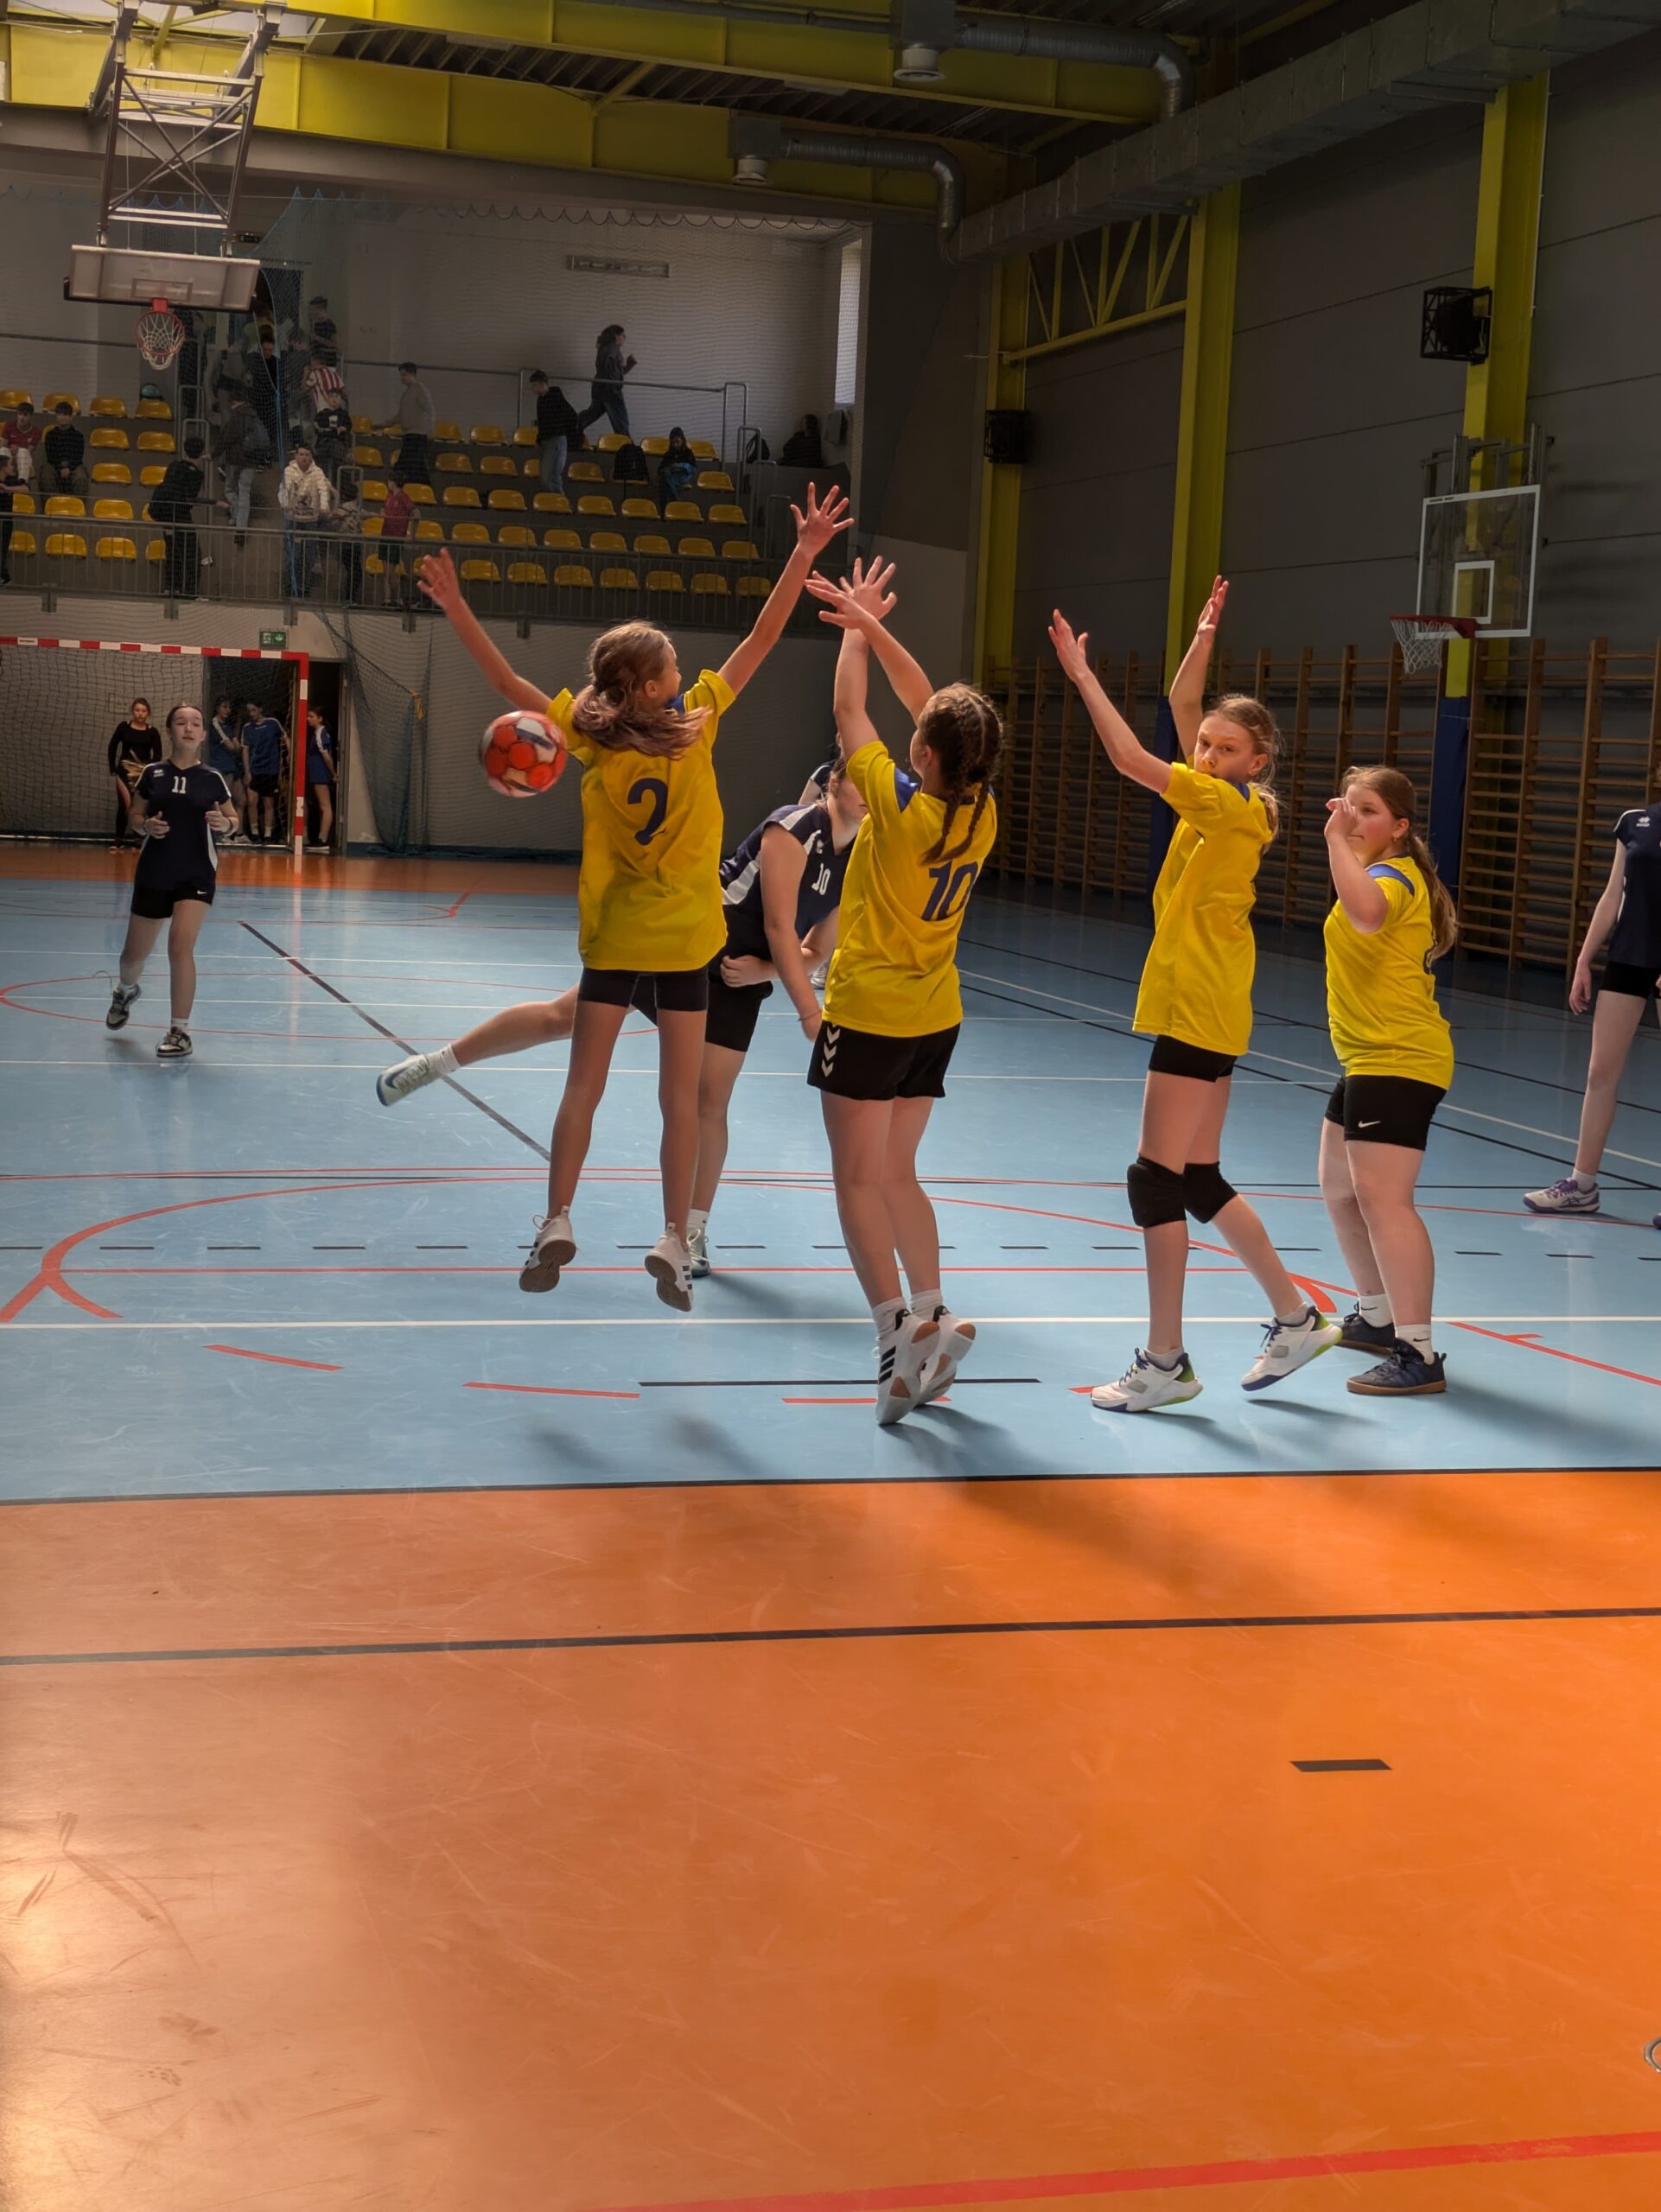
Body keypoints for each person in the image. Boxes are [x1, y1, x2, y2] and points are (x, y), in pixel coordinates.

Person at [408, 481, 852, 1309]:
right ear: (651, 687)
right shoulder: (700, 721)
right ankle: (674, 1240)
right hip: (687, 943)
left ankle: (556, 1218)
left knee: (583, 1086)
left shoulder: (588, 735)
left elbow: (506, 680)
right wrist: (801, 553)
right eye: (673, 665)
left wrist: (458, 606)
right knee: (679, 1102)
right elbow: (762, 636)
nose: (685, 672)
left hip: (614, 939)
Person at [378, 762, 868, 1278]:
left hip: (742, 976)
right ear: (833, 783)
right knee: (561, 1017)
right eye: (860, 782)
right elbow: (778, 925)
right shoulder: (793, 826)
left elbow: (816, 949)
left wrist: (762, 971)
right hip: (691, 941)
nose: (871, 795)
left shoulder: (858, 857)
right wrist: (808, 1012)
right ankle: (436, 1063)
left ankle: (693, 1232)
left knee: (711, 1103)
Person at [1048, 578, 1341, 1412]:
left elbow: (1130, 760)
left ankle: (1165, 1361)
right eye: (1205, 746)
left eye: (1225, 747)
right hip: (1216, 1004)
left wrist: (1082, 675)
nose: (1207, 755)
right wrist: (1205, 635)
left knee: (1154, 1179)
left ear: (1258, 762)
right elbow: (1182, 703)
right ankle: (1297, 1318)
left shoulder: (1226, 804)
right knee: (1201, 1177)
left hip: (1198, 1003)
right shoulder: (1226, 799)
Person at [800, 561, 1001, 1426]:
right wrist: (871, 627)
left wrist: (855, 629)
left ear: (922, 755)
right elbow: (931, 711)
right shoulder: (978, 810)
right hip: (934, 1018)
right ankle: (932, 1310)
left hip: (869, 1011)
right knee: (897, 1172)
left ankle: (892, 1334)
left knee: (855, 1180)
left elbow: (850, 710)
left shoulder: (899, 805)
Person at [1319, 767, 1459, 1396]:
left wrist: (1334, 840)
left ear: (1399, 827)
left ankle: (1418, 1352)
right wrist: (1346, 844)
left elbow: (1368, 915)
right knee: (1340, 1190)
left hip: (1398, 1058)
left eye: (1367, 811)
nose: (1353, 820)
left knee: (1384, 1202)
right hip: (1365, 1058)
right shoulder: (1373, 871)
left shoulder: (1393, 878)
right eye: (1348, 807)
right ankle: (1376, 1316)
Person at [1525, 793, 1661, 1229]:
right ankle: (1581, 1186)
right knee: (1600, 1072)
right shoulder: (1634, 821)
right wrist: (1584, 960)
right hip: (1629, 955)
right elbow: (1613, 894)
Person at [104, 702, 239, 1061]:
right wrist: (145, 825)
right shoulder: (153, 773)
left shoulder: (212, 778)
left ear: (203, 734)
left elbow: (233, 819)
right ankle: (125, 990)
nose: (189, 728)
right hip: (155, 871)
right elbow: (135, 814)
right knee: (133, 956)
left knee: (180, 946)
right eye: (181, 722)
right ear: (170, 730)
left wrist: (225, 825)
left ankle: (179, 1031)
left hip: (197, 873)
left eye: (195, 723)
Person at [150, 437, 207, 598]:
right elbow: (190, 496)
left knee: (172, 552)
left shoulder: (174, 466)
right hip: (181, 516)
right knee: (191, 554)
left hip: (166, 515)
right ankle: (190, 592)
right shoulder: (197, 475)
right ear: (202, 452)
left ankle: (171, 588)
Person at [278, 442, 335, 595]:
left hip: (310, 521)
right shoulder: (289, 470)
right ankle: (289, 587)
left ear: (311, 457)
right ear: (296, 456)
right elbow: (284, 488)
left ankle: (304, 587)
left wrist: (324, 506)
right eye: (301, 454)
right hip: (293, 519)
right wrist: (285, 503)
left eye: (307, 455)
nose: (303, 458)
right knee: (292, 556)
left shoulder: (318, 472)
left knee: (309, 557)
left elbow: (323, 489)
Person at [213, 393, 270, 543]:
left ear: (235, 403)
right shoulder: (256, 418)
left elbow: (226, 439)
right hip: (251, 461)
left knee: (230, 489)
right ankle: (241, 526)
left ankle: (235, 516)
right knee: (244, 492)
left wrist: (214, 455)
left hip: (234, 459)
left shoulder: (235, 418)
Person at [107, 697, 162, 849]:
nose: (140, 714)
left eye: (143, 711)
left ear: (148, 713)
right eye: (137, 710)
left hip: (142, 774)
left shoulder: (153, 732)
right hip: (124, 772)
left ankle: (138, 838)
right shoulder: (123, 727)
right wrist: (112, 767)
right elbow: (112, 746)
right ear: (133, 711)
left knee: (140, 807)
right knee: (124, 805)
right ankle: (119, 838)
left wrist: (151, 772)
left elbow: (158, 755)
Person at [241, 699, 290, 844]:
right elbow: (245, 750)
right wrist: (247, 771)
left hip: (271, 770)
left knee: (268, 802)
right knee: (252, 801)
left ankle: (268, 834)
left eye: (254, 710)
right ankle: (255, 832)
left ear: (260, 709)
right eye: (249, 711)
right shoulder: (247, 728)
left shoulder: (272, 723)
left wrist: (290, 754)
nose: (251, 714)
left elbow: (286, 738)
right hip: (255, 770)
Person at [576, 325, 635, 440]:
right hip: (610, 390)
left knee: (592, 414)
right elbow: (613, 375)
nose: (624, 338)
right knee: (620, 420)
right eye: (623, 335)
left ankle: (572, 427)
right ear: (616, 336)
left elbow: (613, 372)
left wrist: (627, 364)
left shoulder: (605, 348)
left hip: (601, 388)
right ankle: (626, 444)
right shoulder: (612, 349)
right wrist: (622, 368)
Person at [528, 371, 579, 494]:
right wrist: (539, 440)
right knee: (551, 476)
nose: (532, 388)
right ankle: (558, 500)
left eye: (534, 385)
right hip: (547, 440)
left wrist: (562, 431)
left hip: (556, 439)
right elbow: (542, 423)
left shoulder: (556, 398)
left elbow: (572, 416)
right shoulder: (541, 400)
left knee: (548, 476)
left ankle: (559, 500)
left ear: (542, 384)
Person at [389, 361, 435, 484]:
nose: (402, 378)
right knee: (416, 467)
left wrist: (430, 429)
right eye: (401, 375)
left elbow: (429, 409)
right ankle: (424, 489)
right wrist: (384, 424)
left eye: (404, 375)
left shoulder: (420, 389)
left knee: (409, 465)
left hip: (418, 435)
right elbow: (400, 416)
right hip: (410, 435)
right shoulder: (407, 394)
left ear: (412, 374)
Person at [207, 696, 245, 839]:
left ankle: (239, 834)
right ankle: (222, 834)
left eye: (229, 707)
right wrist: (234, 745)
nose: (228, 710)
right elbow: (231, 747)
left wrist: (235, 744)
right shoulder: (215, 723)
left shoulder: (227, 726)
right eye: (224, 707)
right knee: (224, 802)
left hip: (232, 766)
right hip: (222, 766)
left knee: (241, 800)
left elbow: (238, 747)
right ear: (217, 708)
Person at [38, 402, 89, 500]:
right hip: (54, 466)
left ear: (71, 417)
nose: (63, 417)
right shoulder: (50, 435)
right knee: (46, 472)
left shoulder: (78, 435)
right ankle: (51, 504)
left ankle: (78, 505)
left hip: (73, 466)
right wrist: (60, 468)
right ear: (56, 416)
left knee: (81, 476)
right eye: (60, 414)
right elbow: (50, 456)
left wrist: (69, 468)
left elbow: (78, 457)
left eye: (65, 414)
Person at [303, 704, 337, 850]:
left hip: (320, 773)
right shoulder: (318, 733)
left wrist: (333, 773)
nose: (308, 719)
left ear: (320, 719)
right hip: (317, 773)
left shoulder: (320, 733)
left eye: (311, 716)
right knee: (323, 806)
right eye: (308, 716)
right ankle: (321, 838)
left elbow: (327, 757)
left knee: (325, 806)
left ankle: (323, 840)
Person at [380, 471, 415, 606]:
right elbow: (383, 510)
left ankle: (400, 599)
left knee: (390, 574)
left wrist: (412, 534)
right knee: (385, 573)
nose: (387, 484)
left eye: (389, 481)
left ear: (393, 482)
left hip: (395, 539)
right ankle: (387, 600)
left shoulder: (404, 498)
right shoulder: (389, 496)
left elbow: (416, 513)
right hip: (385, 536)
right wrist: (383, 513)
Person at [2, 400, 41, 484]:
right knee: (3, 450)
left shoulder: (36, 432)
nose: (22, 418)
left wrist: (18, 449)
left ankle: (22, 481)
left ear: (31, 416)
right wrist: (12, 453)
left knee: (23, 451)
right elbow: (3, 446)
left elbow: (29, 451)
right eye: (20, 414)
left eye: (25, 415)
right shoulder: (9, 426)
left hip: (24, 460)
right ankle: (2, 479)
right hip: (10, 457)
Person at [658, 427, 697, 505]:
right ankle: (675, 501)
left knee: (663, 485)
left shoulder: (688, 453)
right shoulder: (668, 454)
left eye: (677, 442)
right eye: (673, 443)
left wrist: (681, 466)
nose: (675, 445)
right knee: (664, 478)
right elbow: (660, 469)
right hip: (669, 476)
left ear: (682, 441)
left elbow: (693, 469)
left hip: (682, 477)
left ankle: (669, 506)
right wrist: (670, 469)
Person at [0, 452, 15, 588]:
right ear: (4, 467)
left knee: (2, 549)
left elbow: (26, 488)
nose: (12, 467)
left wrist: (7, 488)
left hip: (6, 523)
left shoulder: (11, 480)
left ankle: (4, 576)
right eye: (10, 465)